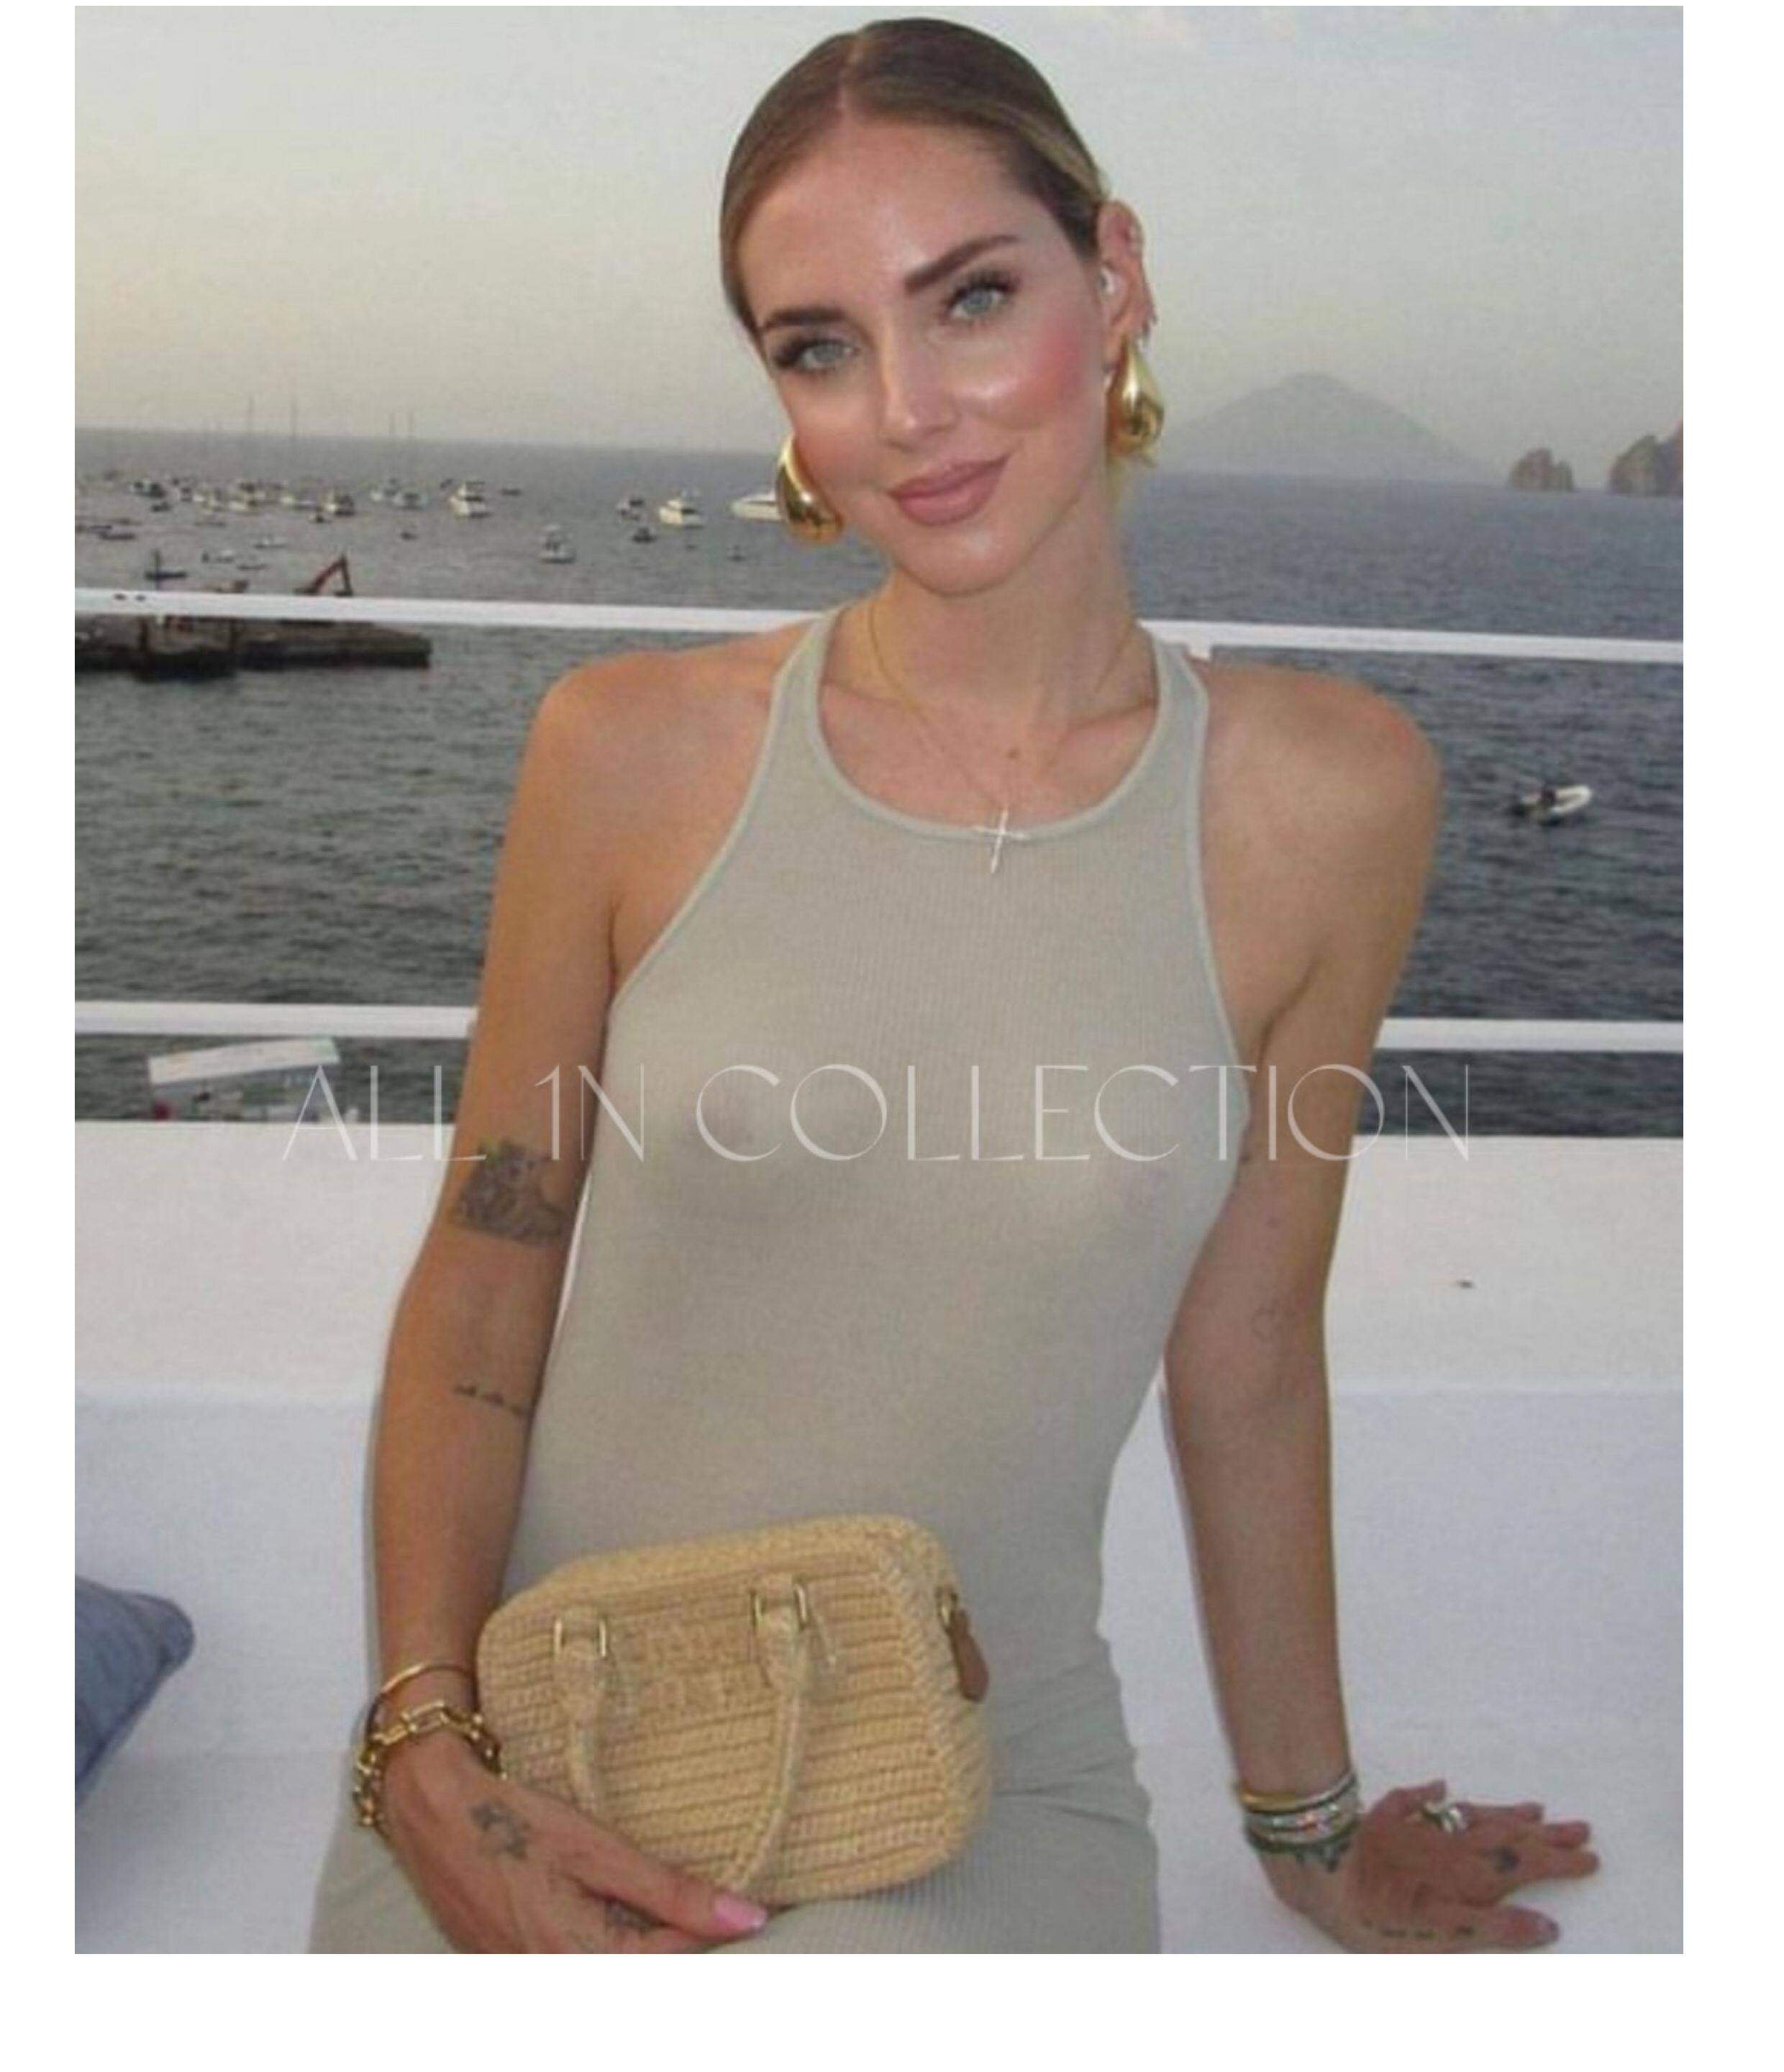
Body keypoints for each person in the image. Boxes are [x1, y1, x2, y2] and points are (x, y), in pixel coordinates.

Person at [307, 16, 1598, 1953]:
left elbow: (1248, 1356)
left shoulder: (1329, 804)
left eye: (972, 298)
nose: (907, 410)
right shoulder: (628, 752)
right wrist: (427, 1747)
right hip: (557, 1748)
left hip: (980, 1798)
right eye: (820, 346)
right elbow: (489, 1283)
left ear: (1117, 276)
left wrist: (1314, 1831)